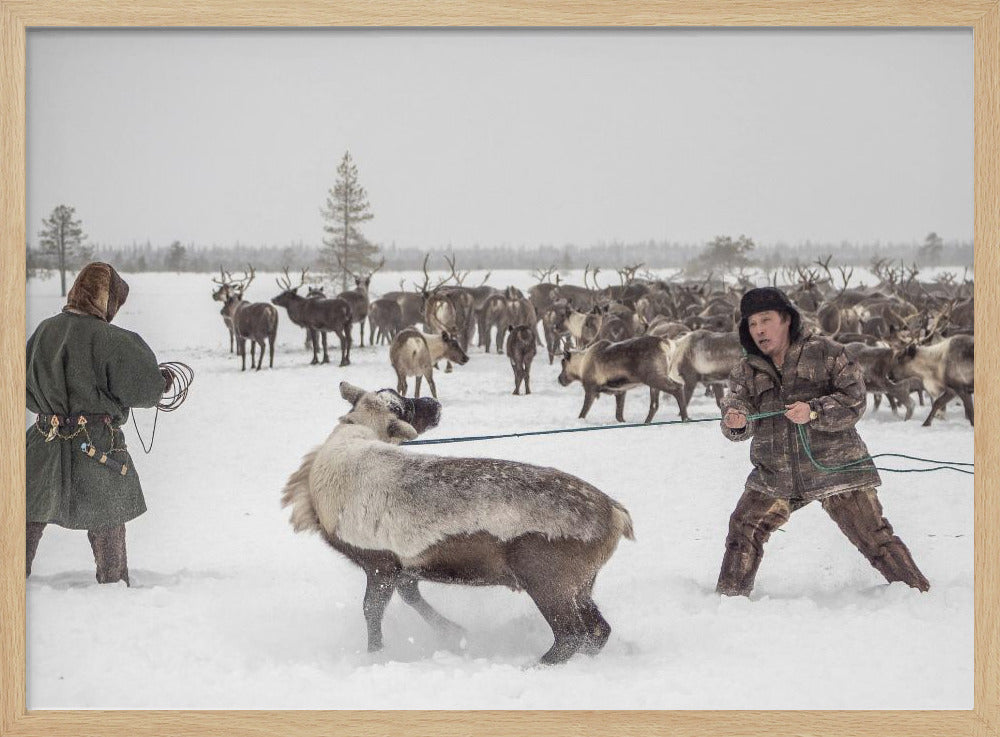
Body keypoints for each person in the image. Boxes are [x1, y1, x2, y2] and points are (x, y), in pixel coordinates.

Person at [717, 286, 929, 596]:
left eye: (766, 320)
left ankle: (918, 595)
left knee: (873, 536)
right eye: (752, 323)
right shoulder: (745, 370)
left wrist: (814, 411)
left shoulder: (827, 353)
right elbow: (736, 406)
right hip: (776, 473)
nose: (759, 329)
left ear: (787, 319)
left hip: (836, 468)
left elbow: (855, 400)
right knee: (742, 529)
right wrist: (735, 419)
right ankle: (728, 600)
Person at [26, 262, 170, 585]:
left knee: (26, 515)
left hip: (42, 441)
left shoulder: (43, 332)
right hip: (96, 448)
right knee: (108, 521)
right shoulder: (112, 340)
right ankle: (114, 587)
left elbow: (23, 387)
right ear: (107, 299)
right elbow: (146, 389)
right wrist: (162, 382)